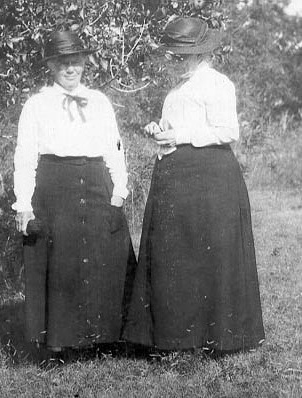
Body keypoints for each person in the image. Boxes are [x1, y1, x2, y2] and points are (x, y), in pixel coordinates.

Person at [123, 17, 265, 355]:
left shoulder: (218, 84)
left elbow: (228, 131)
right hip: (174, 177)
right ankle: (177, 338)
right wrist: (158, 129)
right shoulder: (175, 91)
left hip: (211, 177)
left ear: (202, 53)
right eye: (172, 55)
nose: (176, 62)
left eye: (182, 55)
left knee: (211, 255)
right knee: (176, 255)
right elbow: (175, 129)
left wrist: (182, 135)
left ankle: (219, 338)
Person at [13, 30, 136, 353]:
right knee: (63, 260)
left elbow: (115, 147)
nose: (70, 69)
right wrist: (23, 204)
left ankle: (106, 337)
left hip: (97, 181)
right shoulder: (36, 104)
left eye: (76, 62)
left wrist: (118, 190)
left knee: (103, 255)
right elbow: (25, 156)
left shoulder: (99, 101)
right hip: (56, 185)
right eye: (63, 63)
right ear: (51, 65)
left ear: (85, 63)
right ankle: (62, 341)